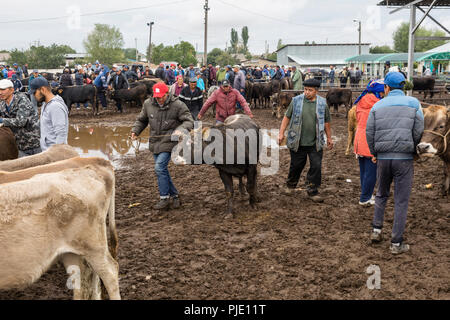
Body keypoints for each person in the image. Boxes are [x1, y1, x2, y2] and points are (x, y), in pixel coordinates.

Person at [366, 72, 424, 254]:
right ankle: (396, 243)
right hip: (404, 158)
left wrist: (375, 152)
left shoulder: (377, 105)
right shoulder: (414, 104)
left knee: (381, 193)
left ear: (387, 88)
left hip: (383, 157)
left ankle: (376, 230)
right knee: (401, 200)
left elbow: (370, 132)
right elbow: (418, 129)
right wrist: (412, 148)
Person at [131, 82, 194, 210]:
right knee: (162, 171)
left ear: (167, 94)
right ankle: (175, 195)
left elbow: (189, 121)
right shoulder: (148, 104)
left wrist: (180, 130)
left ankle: (164, 198)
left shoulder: (177, 105)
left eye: (161, 96)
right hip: (155, 142)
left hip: (170, 142)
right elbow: (142, 120)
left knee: (159, 168)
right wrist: (135, 131)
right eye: (157, 97)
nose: (159, 99)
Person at [277, 78, 333, 203]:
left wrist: (329, 137)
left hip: (315, 142)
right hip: (298, 141)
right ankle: (291, 185)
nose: (307, 92)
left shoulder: (323, 103)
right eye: (305, 89)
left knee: (316, 166)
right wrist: (281, 133)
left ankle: (312, 190)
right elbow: (287, 117)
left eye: (310, 90)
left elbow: (327, 122)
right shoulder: (296, 101)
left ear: (316, 91)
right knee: (296, 165)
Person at [353, 80, 385, 206]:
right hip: (370, 140)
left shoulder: (361, 100)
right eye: (382, 92)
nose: (383, 95)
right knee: (372, 172)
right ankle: (365, 197)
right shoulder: (379, 104)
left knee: (364, 170)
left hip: (359, 139)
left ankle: (366, 194)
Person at [0, 79, 41, 157]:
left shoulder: (22, 99)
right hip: (18, 144)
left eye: (3, 90)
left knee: (39, 166)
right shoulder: (2, 103)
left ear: (12, 90)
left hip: (31, 143)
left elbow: (20, 121)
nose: (0, 92)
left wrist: (1, 120)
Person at [29, 77, 69, 151]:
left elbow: (61, 134)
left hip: (54, 154)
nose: (34, 96)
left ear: (43, 89)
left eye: (35, 93)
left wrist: (56, 154)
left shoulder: (55, 106)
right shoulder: (45, 104)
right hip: (47, 151)